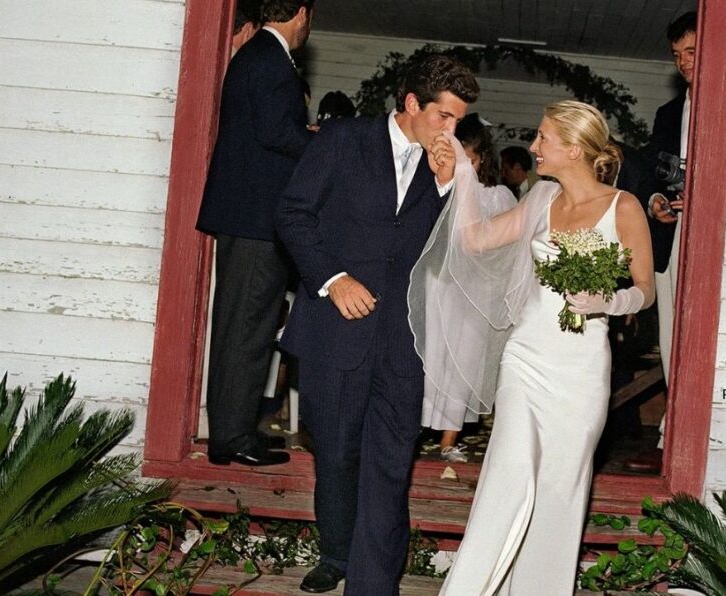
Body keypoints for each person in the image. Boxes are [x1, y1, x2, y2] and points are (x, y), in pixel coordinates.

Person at [409, 100, 655, 594]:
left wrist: (609, 298)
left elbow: (645, 289)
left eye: (544, 138)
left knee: (560, 492)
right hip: (525, 355)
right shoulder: (541, 197)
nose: (534, 146)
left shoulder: (622, 207)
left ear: (573, 148)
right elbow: (477, 240)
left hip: (583, 366)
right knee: (510, 471)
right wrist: (461, 176)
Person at [276, 54, 479, 595]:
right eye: (445, 117)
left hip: (404, 338)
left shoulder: (446, 168)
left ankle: (372, 585)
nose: (452, 131)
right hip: (336, 328)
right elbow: (293, 213)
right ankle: (338, 552)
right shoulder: (344, 140)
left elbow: (450, 255)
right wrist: (332, 278)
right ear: (412, 104)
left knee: (389, 463)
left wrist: (442, 189)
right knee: (339, 451)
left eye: (459, 121)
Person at [195, 0, 314, 468]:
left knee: (242, 328)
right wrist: (324, 142)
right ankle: (233, 435)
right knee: (248, 329)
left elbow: (271, 130)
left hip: (248, 217)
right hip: (255, 220)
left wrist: (303, 131)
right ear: (302, 13)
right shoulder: (270, 57)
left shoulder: (259, 54)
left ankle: (232, 431)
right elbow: (276, 134)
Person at [422, 113, 516, 464]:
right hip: (438, 283)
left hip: (474, 291)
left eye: (470, 161)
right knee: (431, 354)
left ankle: (449, 438)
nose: (463, 167)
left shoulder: (497, 196)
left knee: (464, 359)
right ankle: (418, 426)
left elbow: (500, 247)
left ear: (483, 160)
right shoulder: (437, 185)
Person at [649, 11, 696, 384]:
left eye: (691, 52)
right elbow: (654, 171)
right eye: (676, 54)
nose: (682, 63)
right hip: (671, 234)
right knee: (670, 329)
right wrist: (656, 201)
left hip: (707, 235)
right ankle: (674, 413)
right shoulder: (667, 114)